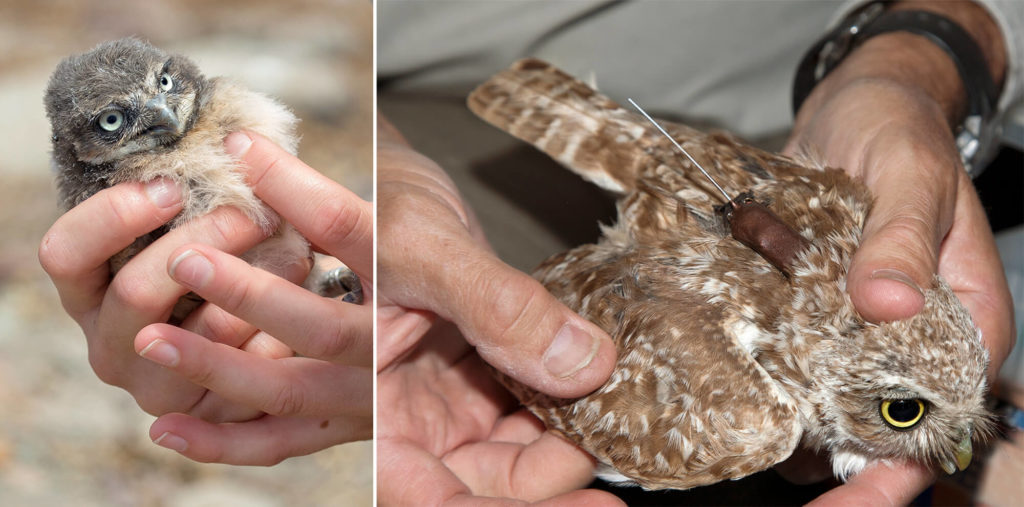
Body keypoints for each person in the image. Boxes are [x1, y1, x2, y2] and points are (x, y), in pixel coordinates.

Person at [376, 0, 1021, 504]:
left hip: (759, 101)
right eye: (900, 410)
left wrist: (921, 58)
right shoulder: (744, 423)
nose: (957, 443)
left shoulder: (867, 238)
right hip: (407, 84)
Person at [39, 131, 373, 464]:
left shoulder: (219, 122)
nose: (162, 113)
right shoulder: (112, 181)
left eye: (166, 84)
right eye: (110, 122)